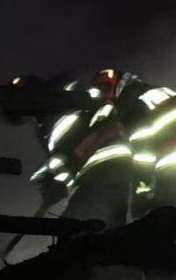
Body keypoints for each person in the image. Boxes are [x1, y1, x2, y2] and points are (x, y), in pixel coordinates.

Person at [94, 69, 176, 251]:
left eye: (106, 88)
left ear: (119, 85)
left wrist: (141, 192)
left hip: (175, 167)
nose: (106, 96)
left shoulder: (133, 101)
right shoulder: (161, 92)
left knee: (160, 224)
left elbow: (143, 151)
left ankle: (158, 266)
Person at [25, 76, 133, 229]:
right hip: (93, 174)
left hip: (106, 164)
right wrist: (54, 181)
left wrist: (59, 178)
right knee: (86, 226)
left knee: (77, 226)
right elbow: (62, 159)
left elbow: (103, 116)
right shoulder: (45, 125)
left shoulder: (71, 92)